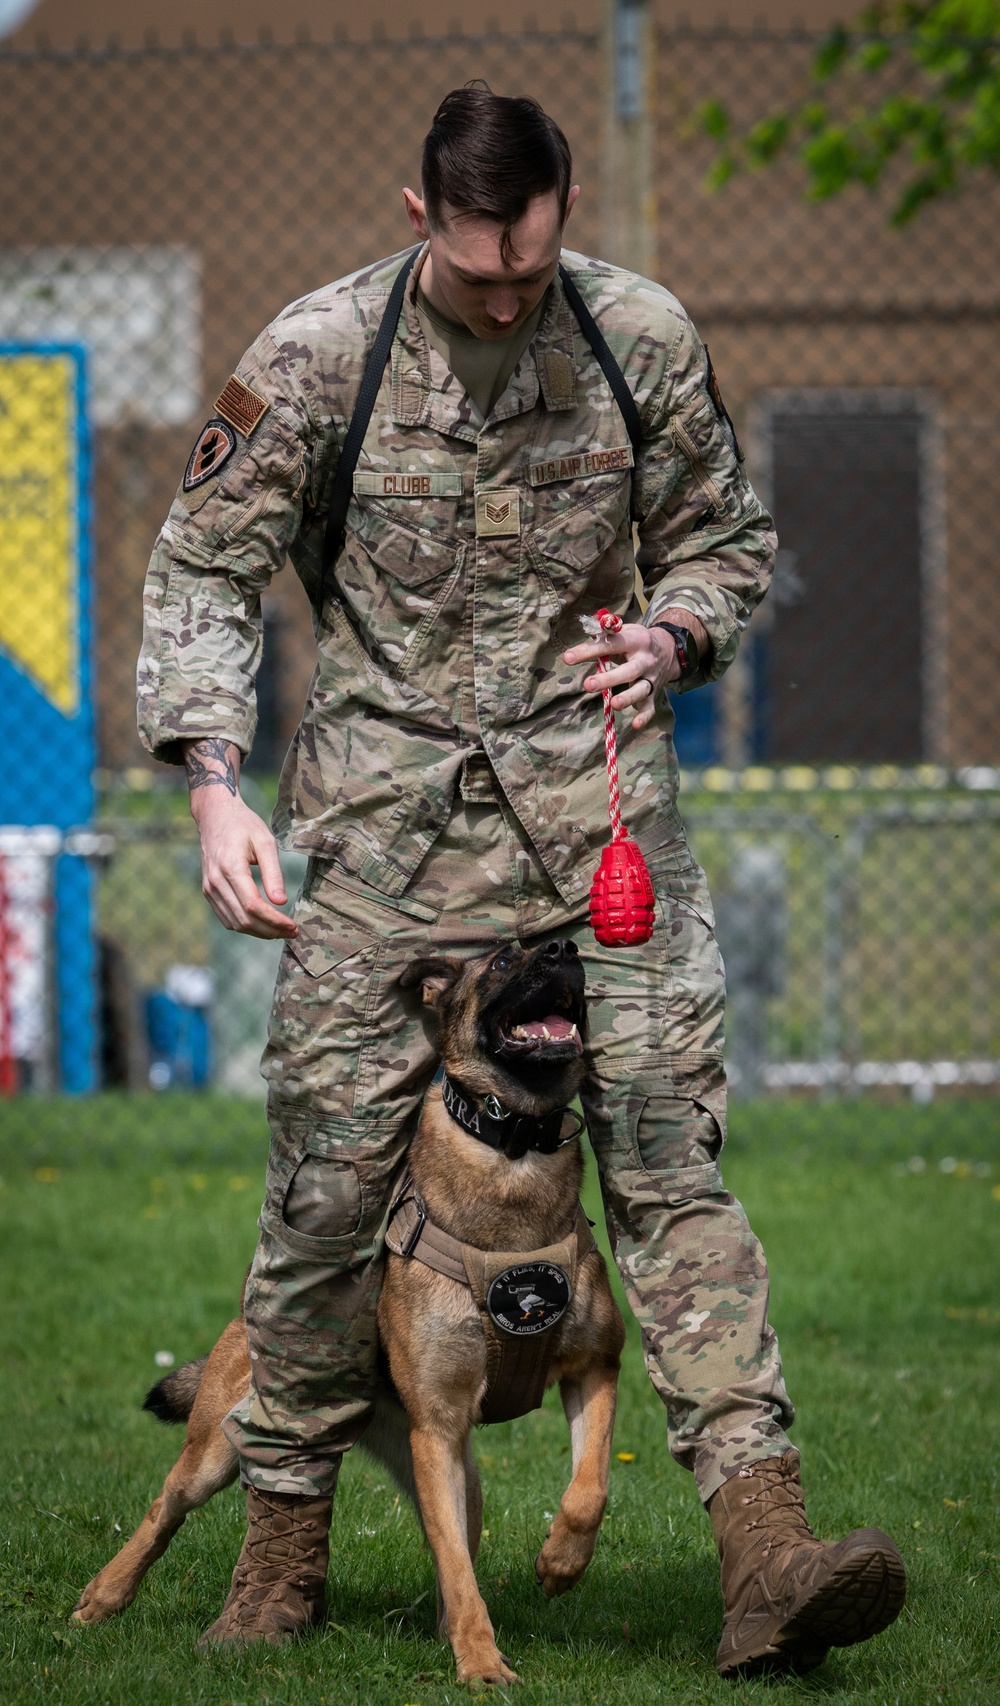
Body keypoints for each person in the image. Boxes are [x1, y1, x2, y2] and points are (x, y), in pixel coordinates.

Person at [137, 85, 905, 1676]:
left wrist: (676, 634)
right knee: (328, 1194)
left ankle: (767, 1545)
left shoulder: (636, 338)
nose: (509, 292)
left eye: (533, 260)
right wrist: (214, 789)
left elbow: (728, 542)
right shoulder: (315, 358)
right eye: (481, 269)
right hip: (378, 843)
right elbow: (203, 562)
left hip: (596, 835)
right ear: (422, 216)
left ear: (565, 205)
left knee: (672, 1172)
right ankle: (281, 1547)